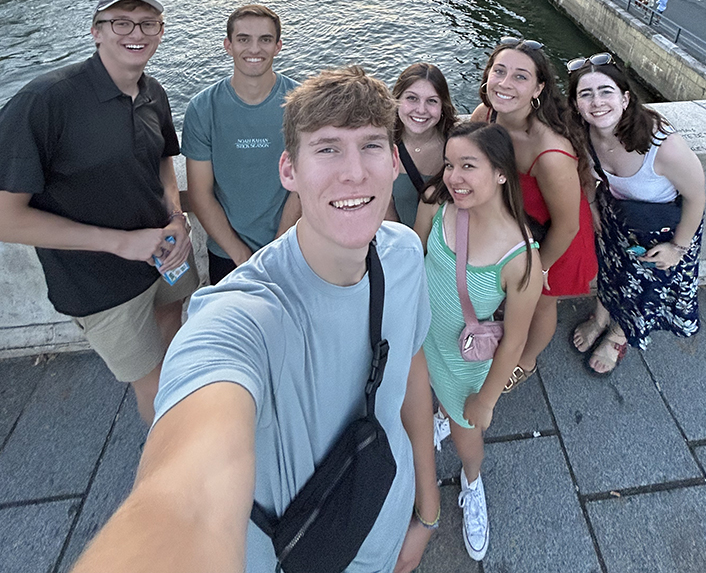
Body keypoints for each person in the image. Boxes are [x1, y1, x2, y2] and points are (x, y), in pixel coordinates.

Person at [71, 66, 439, 573]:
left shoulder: (402, 256)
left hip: (388, 525)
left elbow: (409, 377)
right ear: (289, 170)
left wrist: (426, 511)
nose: (354, 171)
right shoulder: (239, 316)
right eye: (328, 148)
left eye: (372, 145)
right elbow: (189, 495)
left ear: (395, 161)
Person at [0, 0, 197, 424]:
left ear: (160, 33)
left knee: (176, 343)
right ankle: (175, 466)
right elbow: (5, 217)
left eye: (148, 23)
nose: (136, 33)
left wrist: (177, 217)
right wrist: (122, 243)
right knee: (154, 384)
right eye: (121, 22)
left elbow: (164, 158)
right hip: (99, 285)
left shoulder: (152, 92)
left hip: (166, 256)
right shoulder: (46, 101)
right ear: (96, 32)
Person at [415, 122, 542, 561]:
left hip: (463, 364)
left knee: (466, 431)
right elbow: (416, 260)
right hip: (421, 338)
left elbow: (515, 339)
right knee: (429, 400)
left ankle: (472, 483)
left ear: (502, 172)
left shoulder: (521, 256)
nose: (454, 176)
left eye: (469, 165)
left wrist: (487, 400)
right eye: (450, 164)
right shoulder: (436, 203)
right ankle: (438, 419)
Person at [568, 55, 706, 374]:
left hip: (658, 233)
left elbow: (697, 196)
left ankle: (618, 335)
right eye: (585, 94)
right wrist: (591, 207)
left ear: (625, 98)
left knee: (639, 287)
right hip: (616, 217)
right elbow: (587, 174)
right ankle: (600, 317)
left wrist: (678, 248)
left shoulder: (663, 146)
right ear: (575, 104)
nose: (597, 102)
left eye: (606, 91)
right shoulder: (582, 134)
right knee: (609, 269)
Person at [471, 40, 596, 386]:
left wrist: (538, 270)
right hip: (518, 224)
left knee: (541, 302)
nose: (505, 83)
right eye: (499, 71)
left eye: (520, 77)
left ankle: (525, 363)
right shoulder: (486, 115)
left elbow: (568, 225)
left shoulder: (550, 152)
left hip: (555, 238)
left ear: (538, 89)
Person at [182, 4, 300, 284]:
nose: (254, 49)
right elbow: (200, 194)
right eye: (243, 39)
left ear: (278, 46)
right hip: (227, 252)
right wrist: (241, 256)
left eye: (265, 40)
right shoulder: (202, 108)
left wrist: (276, 249)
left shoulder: (301, 104)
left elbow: (305, 185)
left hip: (292, 246)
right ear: (228, 45)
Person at [387, 63, 457, 227]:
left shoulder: (457, 145)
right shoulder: (382, 145)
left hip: (444, 249)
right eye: (412, 98)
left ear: (442, 106)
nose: (421, 110)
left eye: (432, 101)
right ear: (397, 99)